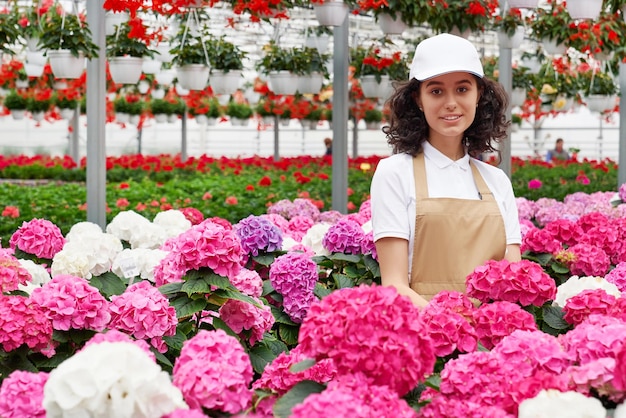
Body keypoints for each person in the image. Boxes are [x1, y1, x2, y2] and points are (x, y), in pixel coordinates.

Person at [370, 33, 522, 309]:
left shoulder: (497, 181)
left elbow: (512, 281)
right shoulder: (394, 173)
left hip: (490, 341)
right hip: (423, 337)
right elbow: (393, 284)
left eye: (462, 89)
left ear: (479, 96)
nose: (450, 102)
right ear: (418, 99)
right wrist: (451, 325)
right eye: (436, 91)